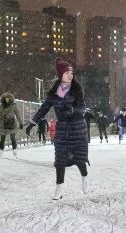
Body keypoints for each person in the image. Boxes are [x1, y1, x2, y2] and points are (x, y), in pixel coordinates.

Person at [26, 58, 89, 200]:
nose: (70, 75)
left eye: (71, 72)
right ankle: (59, 188)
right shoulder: (55, 92)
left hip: (77, 129)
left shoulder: (76, 90)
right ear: (61, 75)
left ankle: (84, 178)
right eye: (67, 73)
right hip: (62, 130)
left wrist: (73, 110)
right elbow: (44, 108)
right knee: (60, 160)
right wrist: (33, 122)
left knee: (79, 158)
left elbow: (82, 108)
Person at [0, 92, 23, 158]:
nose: (6, 100)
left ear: (10, 99)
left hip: (11, 123)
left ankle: (14, 151)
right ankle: (0, 151)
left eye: (8, 98)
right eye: (5, 98)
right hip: (3, 123)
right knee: (2, 138)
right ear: (3, 99)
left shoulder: (14, 105)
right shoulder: (1, 106)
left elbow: (18, 114)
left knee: (12, 138)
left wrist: (21, 123)